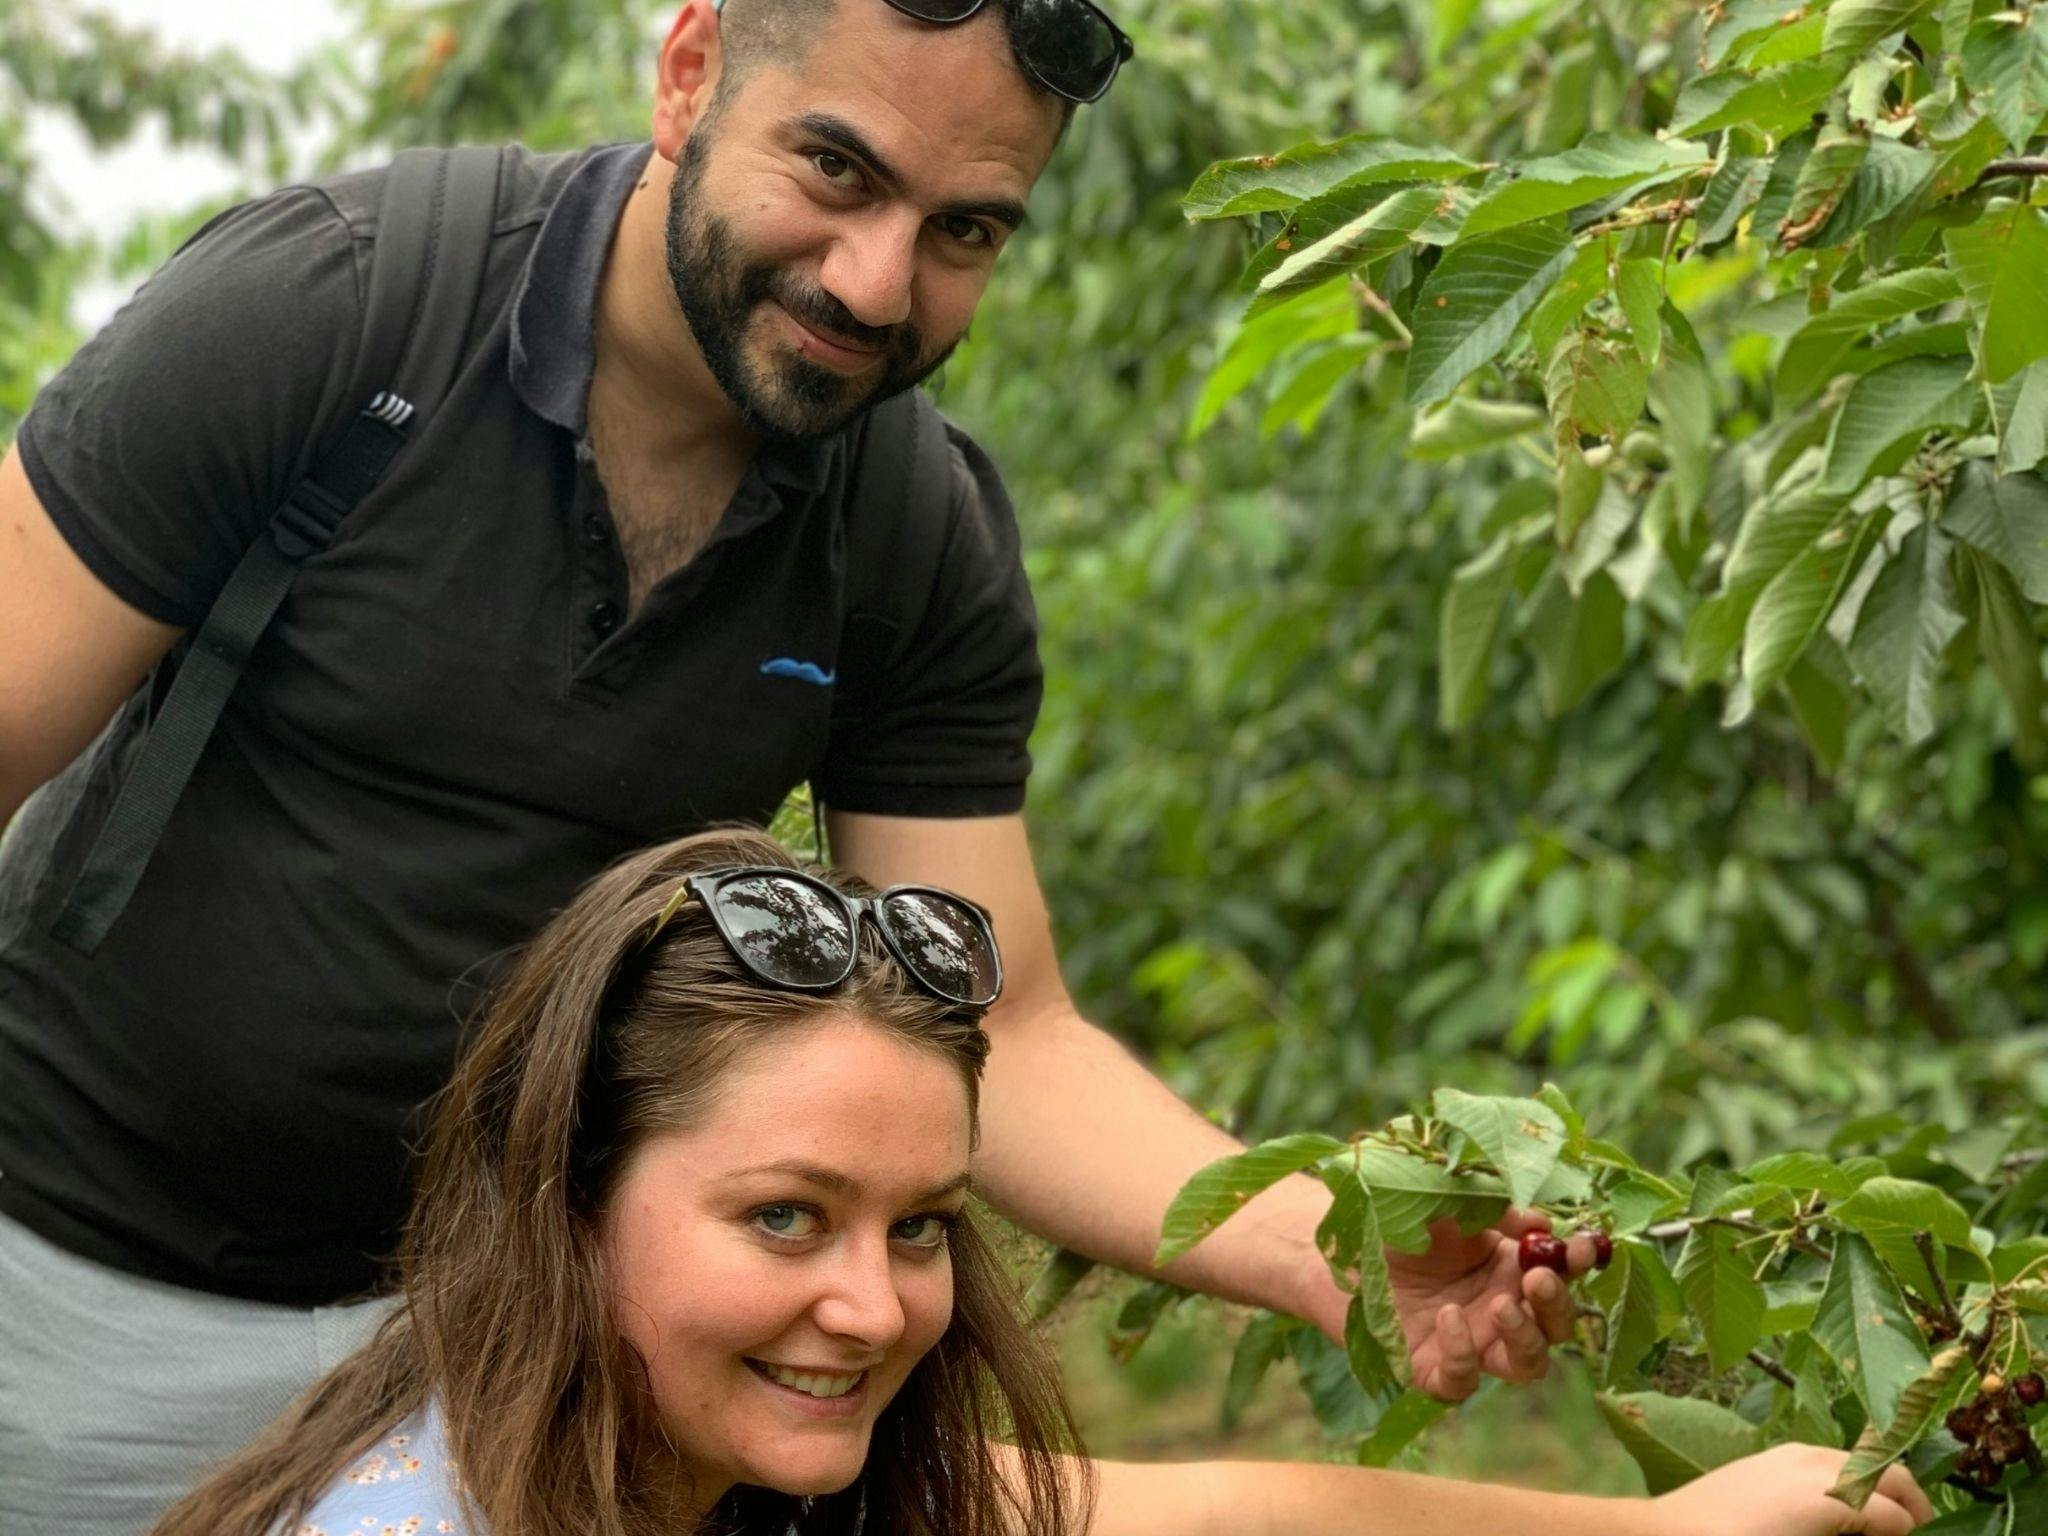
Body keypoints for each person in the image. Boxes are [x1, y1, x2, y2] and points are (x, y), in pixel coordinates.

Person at [5, 0, 1584, 1528]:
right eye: (836, 170)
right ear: (688, 74)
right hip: (61, 1274)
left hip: (498, 1350)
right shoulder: (342, 311)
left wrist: (1324, 1245)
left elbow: (1009, 1030)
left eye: (967, 231)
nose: (878, 282)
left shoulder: (911, 530)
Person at [147, 827, 1935, 1536]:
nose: (874, 1307)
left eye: (921, 1226)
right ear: (566, 1201)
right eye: (786, 1216)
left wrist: (1662, 1529)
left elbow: (1228, 1521)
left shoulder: (657, 1461)